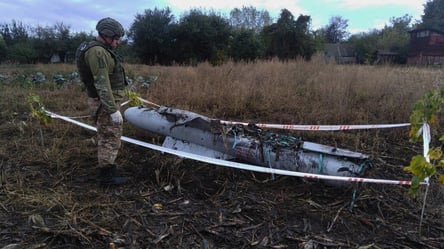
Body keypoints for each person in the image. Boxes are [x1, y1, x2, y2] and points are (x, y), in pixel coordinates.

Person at [75, 17, 128, 185]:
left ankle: (108, 168)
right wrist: (112, 109)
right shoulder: (97, 52)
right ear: (107, 35)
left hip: (105, 101)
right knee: (110, 137)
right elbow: (102, 83)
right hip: (104, 103)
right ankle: (107, 177)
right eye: (116, 38)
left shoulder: (100, 49)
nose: (118, 42)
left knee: (107, 136)